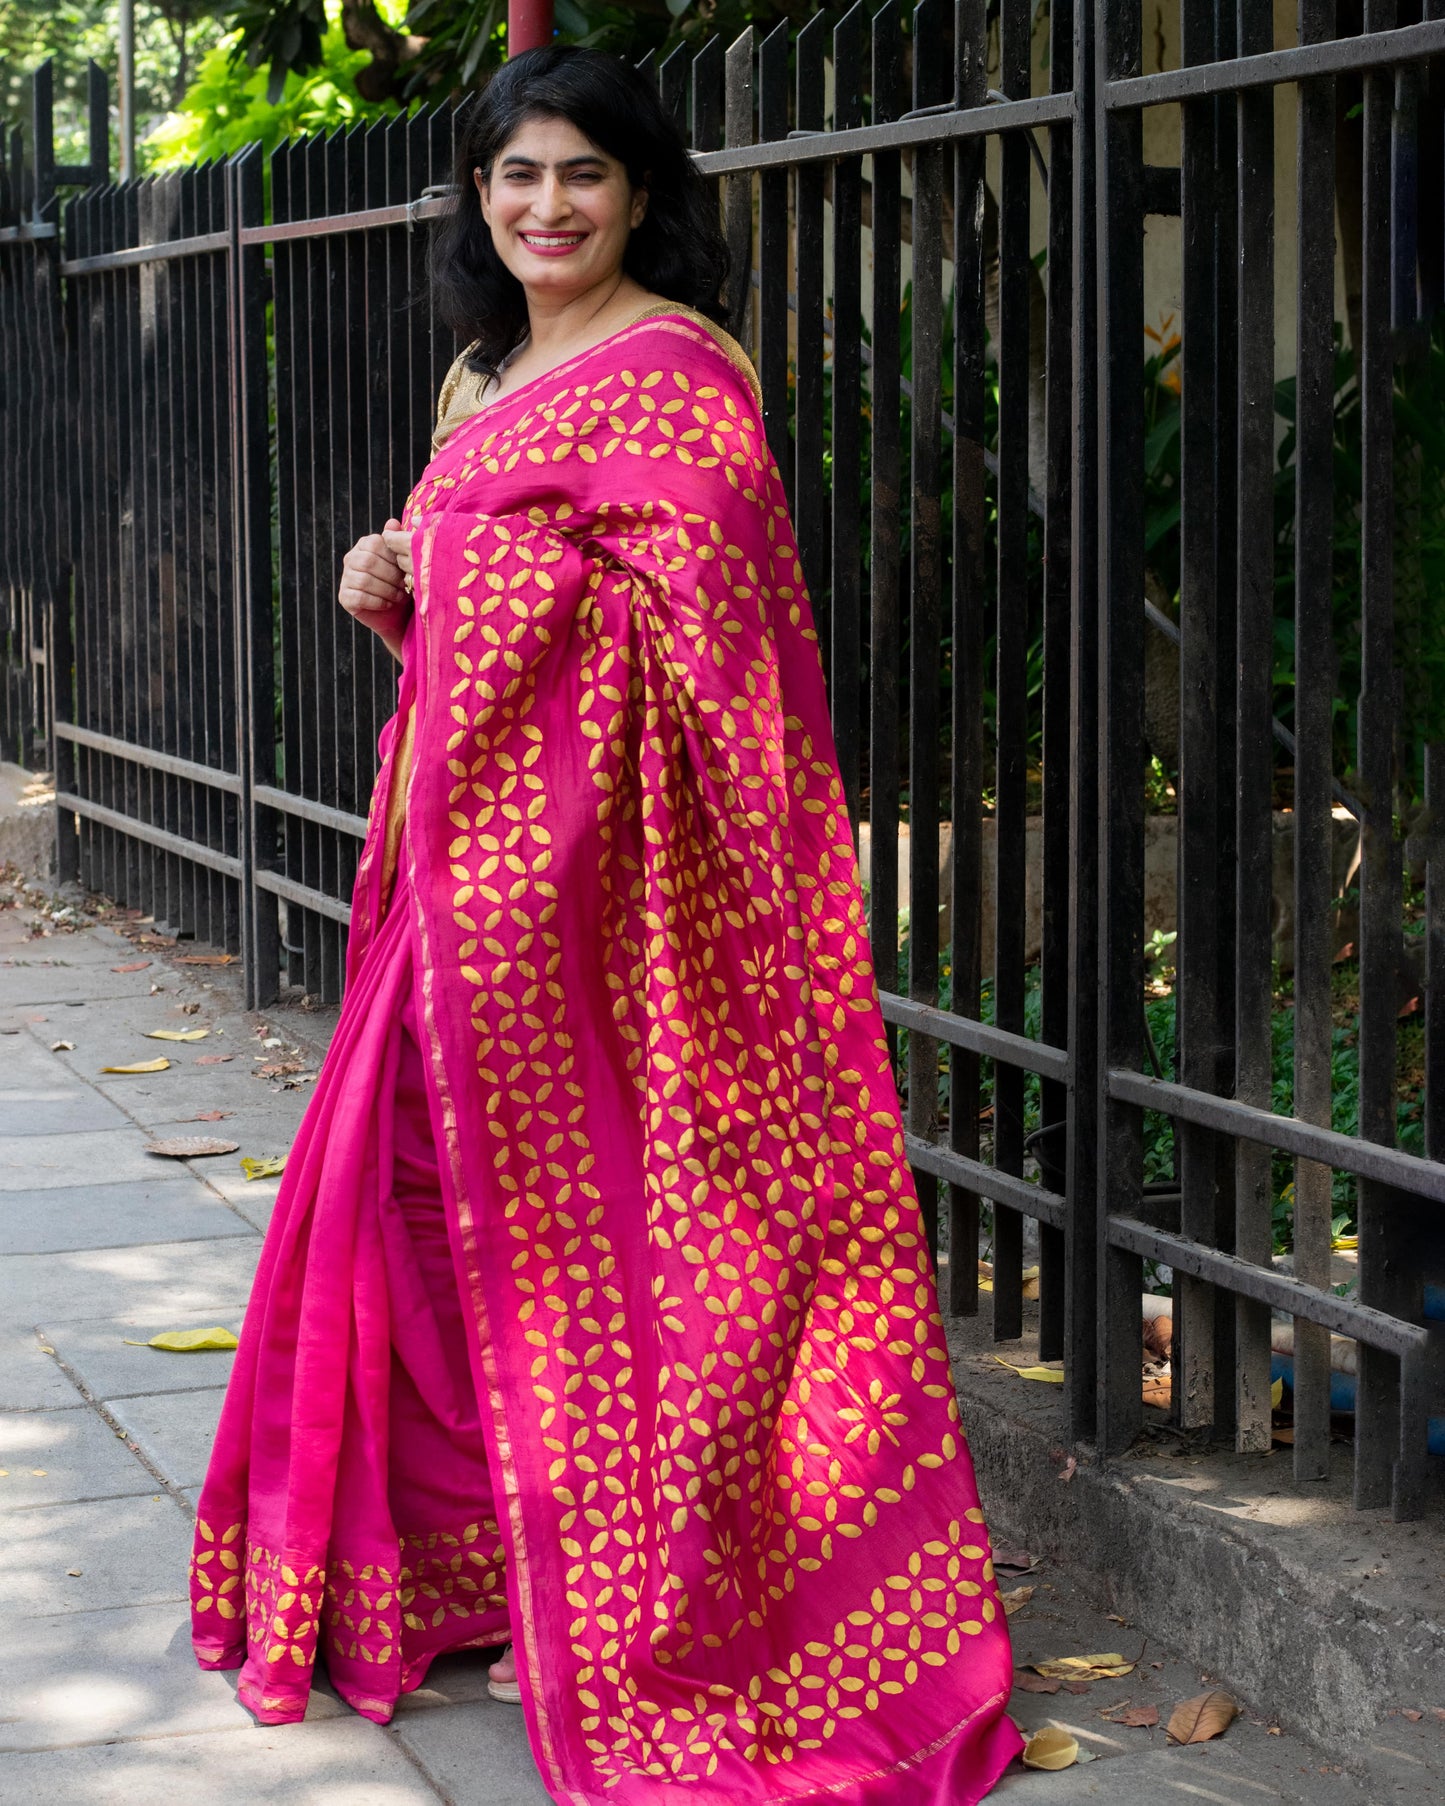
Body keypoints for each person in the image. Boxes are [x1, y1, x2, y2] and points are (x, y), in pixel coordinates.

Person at [190, 45, 1022, 1803]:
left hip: (618, 908)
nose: (545, 208)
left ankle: (679, 1589)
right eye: (514, 178)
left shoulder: (682, 370)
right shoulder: (483, 367)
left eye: (580, 175)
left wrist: (487, 571)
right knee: (403, 1201)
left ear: (642, 191)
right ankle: (471, 1562)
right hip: (455, 872)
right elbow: (457, 573)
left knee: (651, 1239)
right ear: (477, 201)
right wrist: (389, 568)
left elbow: (713, 635)